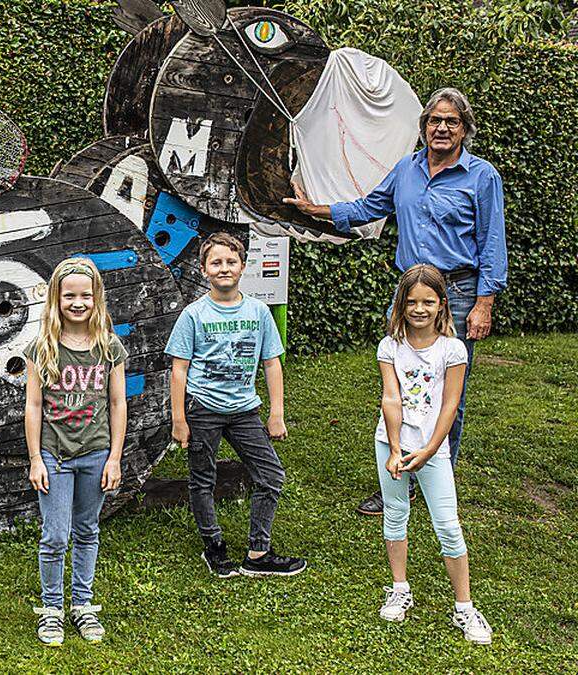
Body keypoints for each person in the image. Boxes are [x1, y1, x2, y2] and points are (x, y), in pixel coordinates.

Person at [283, 87, 508, 516]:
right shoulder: (406, 169)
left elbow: (492, 242)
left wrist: (484, 304)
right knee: (400, 384)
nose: (441, 128)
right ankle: (398, 476)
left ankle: (435, 477)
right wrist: (317, 210)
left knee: (445, 392)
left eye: (451, 121)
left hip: (456, 294)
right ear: (423, 127)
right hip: (407, 293)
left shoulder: (482, 177)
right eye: (434, 121)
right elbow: (371, 206)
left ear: (464, 129)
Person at [167, 232, 307, 579]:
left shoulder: (258, 312)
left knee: (271, 476)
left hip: (245, 410)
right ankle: (213, 546)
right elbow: (179, 369)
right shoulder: (193, 315)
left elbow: (271, 363)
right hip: (203, 409)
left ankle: (258, 552)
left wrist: (276, 414)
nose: (224, 268)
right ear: (203, 269)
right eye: (216, 262)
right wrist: (179, 419)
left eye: (231, 262)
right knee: (202, 479)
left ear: (243, 266)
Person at [372, 264, 492, 645]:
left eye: (428, 301)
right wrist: (394, 449)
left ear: (442, 304)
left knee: (448, 527)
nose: (419, 309)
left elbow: (450, 406)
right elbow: (391, 397)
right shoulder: (389, 346)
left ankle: (465, 608)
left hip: (433, 449)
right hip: (390, 444)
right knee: (395, 516)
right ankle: (399, 588)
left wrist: (428, 450)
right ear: (401, 305)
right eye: (411, 302)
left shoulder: (453, 350)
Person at [23, 257, 127, 646]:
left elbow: (117, 403)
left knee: (87, 530)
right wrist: (35, 458)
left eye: (86, 295)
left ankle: (82, 604)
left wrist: (115, 456)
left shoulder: (108, 347)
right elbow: (33, 406)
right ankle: (51, 609)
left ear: (97, 298)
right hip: (54, 454)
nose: (78, 302)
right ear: (57, 298)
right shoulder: (42, 348)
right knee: (54, 535)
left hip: (97, 452)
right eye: (70, 295)